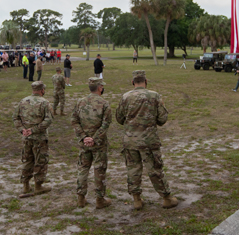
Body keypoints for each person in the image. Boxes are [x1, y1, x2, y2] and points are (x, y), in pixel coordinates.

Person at [115, 70, 178, 210]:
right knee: (155, 169)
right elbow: (162, 119)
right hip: (148, 140)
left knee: (133, 169)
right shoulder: (154, 96)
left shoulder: (125, 97)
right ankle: (166, 198)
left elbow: (119, 118)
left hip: (130, 140)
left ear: (133, 83)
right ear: (146, 81)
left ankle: (136, 199)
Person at [71, 77, 112, 209]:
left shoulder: (80, 102)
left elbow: (74, 121)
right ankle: (100, 199)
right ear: (100, 88)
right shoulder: (104, 103)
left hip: (84, 143)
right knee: (99, 169)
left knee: (83, 168)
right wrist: (94, 138)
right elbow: (106, 124)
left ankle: (81, 198)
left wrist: (84, 137)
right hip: (99, 143)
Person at [12, 81, 53, 196]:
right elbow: (48, 120)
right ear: (42, 90)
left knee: (27, 160)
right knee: (41, 160)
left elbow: (15, 118)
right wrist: (34, 130)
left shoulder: (23, 101)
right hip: (39, 138)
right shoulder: (44, 103)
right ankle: (38, 186)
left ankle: (25, 185)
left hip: (26, 137)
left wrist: (22, 130)